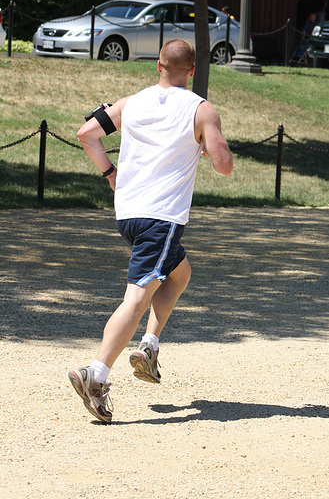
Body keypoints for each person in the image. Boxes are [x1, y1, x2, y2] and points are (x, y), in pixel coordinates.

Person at [68, 39, 234, 423]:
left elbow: (86, 134)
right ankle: (96, 373)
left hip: (128, 213)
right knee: (136, 299)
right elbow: (224, 166)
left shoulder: (131, 102)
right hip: (161, 217)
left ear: (158, 65)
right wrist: (210, 146)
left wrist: (111, 173)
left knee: (180, 274)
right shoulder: (200, 109)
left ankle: (150, 345)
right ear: (192, 71)